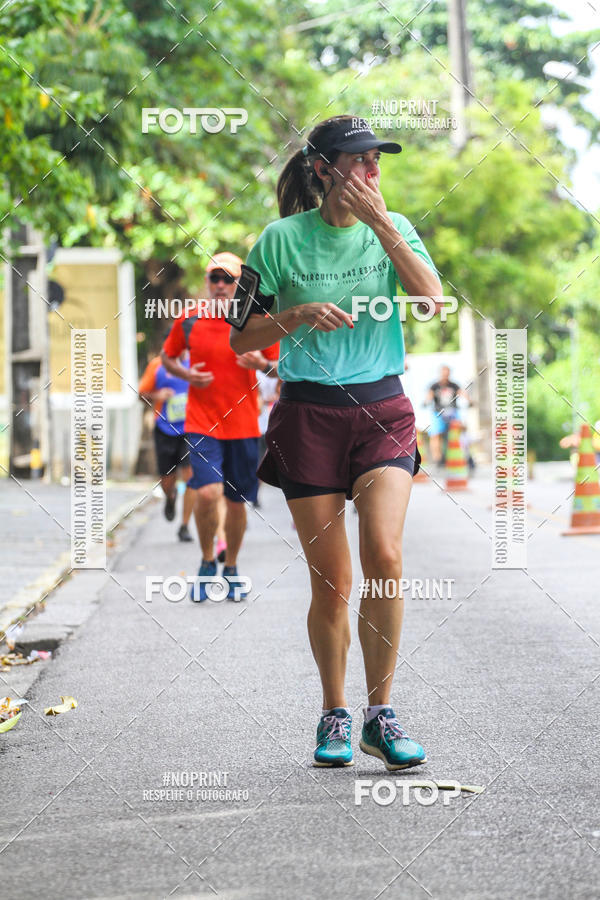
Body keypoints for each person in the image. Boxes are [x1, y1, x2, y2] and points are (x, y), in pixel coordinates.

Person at [230, 115, 444, 770]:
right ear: (323, 169)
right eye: (360, 161)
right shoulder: (278, 241)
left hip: (382, 408)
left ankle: (381, 715)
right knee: (333, 582)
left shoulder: (396, 227)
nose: (373, 171)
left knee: (384, 553)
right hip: (308, 416)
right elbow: (241, 339)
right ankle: (335, 711)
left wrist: (382, 225)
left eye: (378, 160)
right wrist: (293, 316)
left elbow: (432, 299)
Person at [161, 252, 278, 601]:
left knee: (237, 502)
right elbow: (168, 356)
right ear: (207, 282)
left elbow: (278, 369)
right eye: (216, 278)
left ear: (242, 283)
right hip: (202, 424)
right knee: (209, 493)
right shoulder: (190, 319)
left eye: (229, 279)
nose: (222, 285)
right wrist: (185, 374)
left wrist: (260, 362)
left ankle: (232, 567)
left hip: (243, 426)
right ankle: (207, 559)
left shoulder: (257, 320)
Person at [138, 351, 195, 541]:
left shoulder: (195, 362)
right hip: (164, 428)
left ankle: (185, 525)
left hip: (190, 428)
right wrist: (157, 394)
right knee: (167, 479)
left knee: (190, 476)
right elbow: (141, 394)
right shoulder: (156, 365)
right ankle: (170, 498)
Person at [426, 365, 470, 466]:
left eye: (447, 374)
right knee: (435, 434)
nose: (445, 376)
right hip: (438, 412)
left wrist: (469, 400)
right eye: (443, 374)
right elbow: (429, 396)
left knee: (462, 429)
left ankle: (465, 455)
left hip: (452, 411)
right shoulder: (434, 386)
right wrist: (426, 402)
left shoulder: (454, 385)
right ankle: (437, 459)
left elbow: (462, 393)